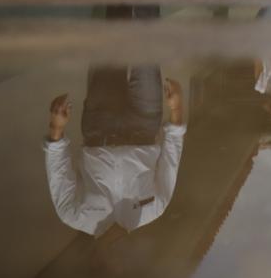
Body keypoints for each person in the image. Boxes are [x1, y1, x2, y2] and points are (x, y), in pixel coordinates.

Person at [44, 66, 186, 236]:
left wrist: (56, 127)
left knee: (108, 54)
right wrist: (177, 110)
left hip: (99, 125)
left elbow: (58, 172)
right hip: (144, 124)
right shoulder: (154, 210)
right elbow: (170, 163)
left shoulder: (73, 216)